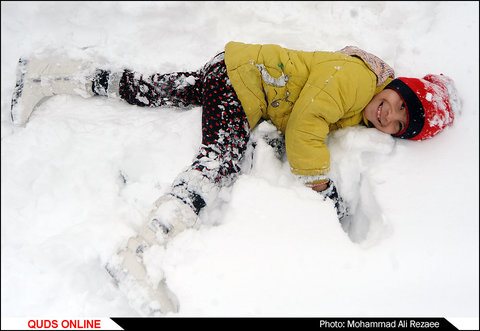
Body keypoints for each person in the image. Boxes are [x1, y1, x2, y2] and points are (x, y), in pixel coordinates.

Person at [9, 41, 459, 315]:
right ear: (396, 85)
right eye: (400, 102)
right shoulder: (358, 79)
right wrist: (323, 186)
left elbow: (308, 117)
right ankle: (139, 253)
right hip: (247, 83)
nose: (391, 115)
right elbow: (306, 125)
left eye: (401, 124)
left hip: (239, 71)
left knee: (153, 89)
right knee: (219, 161)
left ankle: (53, 75)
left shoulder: (362, 105)